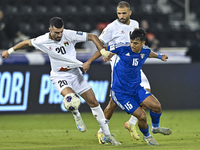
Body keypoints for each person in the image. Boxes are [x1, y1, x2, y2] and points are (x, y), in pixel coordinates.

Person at [1, 17, 121, 146]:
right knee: (71, 98)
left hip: (75, 73)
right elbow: (25, 43)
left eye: (61, 32)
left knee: (93, 102)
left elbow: (92, 36)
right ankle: (76, 114)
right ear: (50, 30)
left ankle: (106, 134)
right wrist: (9, 51)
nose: (59, 35)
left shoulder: (69, 34)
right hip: (59, 76)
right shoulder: (43, 40)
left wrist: (102, 51)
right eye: (56, 32)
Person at [83, 1, 150, 143]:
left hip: (134, 66)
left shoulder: (135, 24)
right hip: (119, 67)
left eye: (124, 13)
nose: (121, 16)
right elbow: (99, 43)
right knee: (114, 101)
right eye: (119, 13)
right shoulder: (112, 27)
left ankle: (131, 123)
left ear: (130, 13)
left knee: (147, 91)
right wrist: (94, 58)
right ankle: (102, 131)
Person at [100, 28, 172, 145]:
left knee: (157, 106)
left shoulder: (145, 51)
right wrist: (97, 57)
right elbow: (102, 48)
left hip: (136, 89)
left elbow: (149, 53)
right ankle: (147, 136)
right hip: (121, 93)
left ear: (142, 43)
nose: (132, 45)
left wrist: (160, 56)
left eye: (136, 43)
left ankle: (155, 127)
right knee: (142, 116)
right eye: (131, 42)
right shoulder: (123, 48)